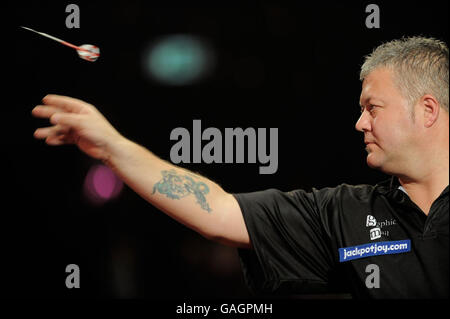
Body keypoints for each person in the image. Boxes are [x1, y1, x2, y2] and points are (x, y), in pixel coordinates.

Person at [32, 36, 448, 298]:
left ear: (427, 110)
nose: (360, 123)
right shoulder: (343, 213)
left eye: (372, 108)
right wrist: (112, 147)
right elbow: (218, 211)